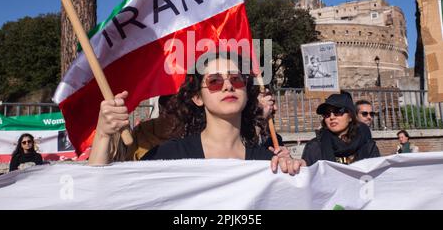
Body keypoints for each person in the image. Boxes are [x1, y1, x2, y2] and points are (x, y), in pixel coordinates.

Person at [89, 51, 306, 175]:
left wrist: (297, 174)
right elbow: (105, 196)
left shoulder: (268, 164)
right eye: (214, 81)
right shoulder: (169, 156)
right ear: (197, 97)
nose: (228, 86)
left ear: (247, 93)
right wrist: (102, 135)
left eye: (236, 79)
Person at [301, 92, 380, 166]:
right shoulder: (314, 147)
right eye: (327, 114)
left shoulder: (367, 144)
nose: (332, 117)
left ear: (350, 117)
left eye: (338, 111)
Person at [111, 94, 184, 161]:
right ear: (161, 110)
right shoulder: (141, 132)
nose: (175, 122)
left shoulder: (186, 132)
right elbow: (130, 161)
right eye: (171, 114)